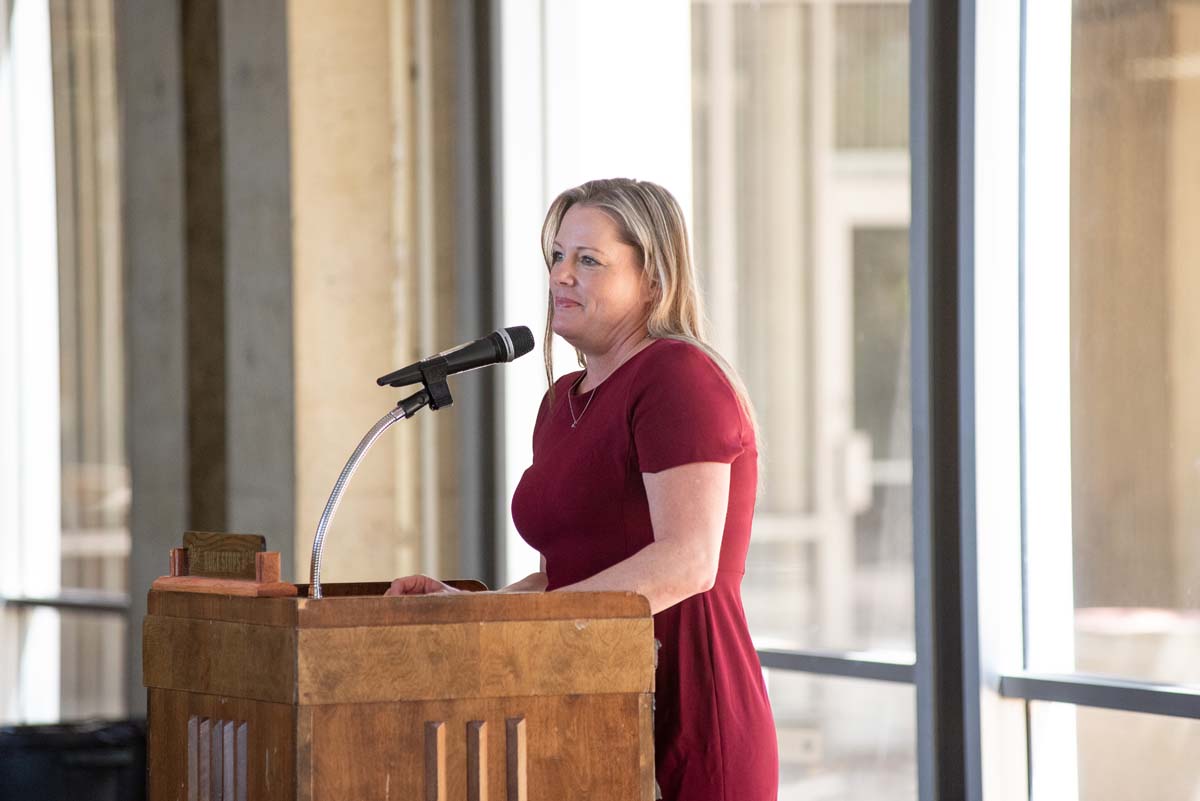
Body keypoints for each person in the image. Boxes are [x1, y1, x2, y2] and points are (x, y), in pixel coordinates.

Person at [386, 178, 778, 801]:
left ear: (653, 279)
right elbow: (563, 579)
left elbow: (688, 563)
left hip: (686, 705)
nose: (561, 276)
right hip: (587, 704)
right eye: (557, 257)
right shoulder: (559, 403)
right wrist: (466, 611)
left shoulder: (677, 377)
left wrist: (531, 625)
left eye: (589, 260)